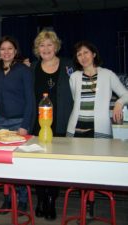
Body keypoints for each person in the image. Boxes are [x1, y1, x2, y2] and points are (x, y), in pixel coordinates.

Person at [67, 40, 128, 219]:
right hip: (76, 130)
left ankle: (91, 205)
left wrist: (118, 103)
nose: (83, 57)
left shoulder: (108, 74)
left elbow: (126, 93)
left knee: (94, 170)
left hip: (99, 130)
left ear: (94, 54)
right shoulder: (74, 77)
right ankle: (85, 204)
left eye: (86, 52)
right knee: (80, 171)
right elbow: (75, 100)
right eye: (79, 54)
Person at [31, 30, 74, 220]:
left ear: (56, 46)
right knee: (38, 164)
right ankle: (40, 198)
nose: (46, 48)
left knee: (55, 164)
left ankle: (51, 199)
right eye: (42, 45)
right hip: (37, 124)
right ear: (37, 49)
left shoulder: (69, 66)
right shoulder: (32, 68)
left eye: (49, 44)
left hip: (61, 122)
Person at [0, 36, 35, 214]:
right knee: (4, 164)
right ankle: (8, 199)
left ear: (16, 51)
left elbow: (31, 101)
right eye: (3, 49)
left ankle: (23, 200)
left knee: (20, 164)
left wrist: (25, 125)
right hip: (1, 122)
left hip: (19, 122)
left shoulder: (23, 70)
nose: (6, 52)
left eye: (10, 48)